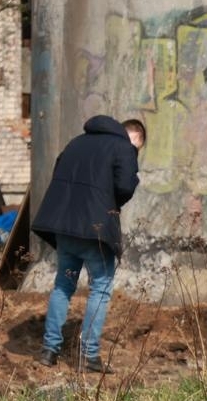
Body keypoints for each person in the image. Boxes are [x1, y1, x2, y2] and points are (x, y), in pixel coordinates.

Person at [32, 115, 144, 373]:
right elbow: (125, 187)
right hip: (95, 232)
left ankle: (49, 350)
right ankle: (88, 355)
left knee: (63, 285)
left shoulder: (75, 143)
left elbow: (58, 173)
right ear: (134, 138)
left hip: (65, 227)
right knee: (101, 288)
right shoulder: (122, 148)